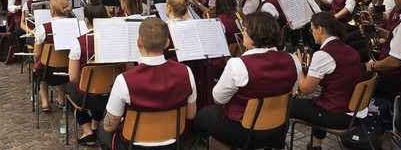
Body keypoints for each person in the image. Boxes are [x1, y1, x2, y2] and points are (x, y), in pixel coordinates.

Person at [194, 12, 300, 150]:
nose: (242, 32)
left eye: (244, 30)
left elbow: (218, 98)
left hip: (245, 129)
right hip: (278, 128)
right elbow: (290, 91)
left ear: (255, 35)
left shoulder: (238, 64)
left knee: (202, 117)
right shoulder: (292, 60)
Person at [99, 17, 197, 150]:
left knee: (103, 129)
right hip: (172, 142)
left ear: (139, 42)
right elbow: (191, 115)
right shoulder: (186, 72)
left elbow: (109, 126)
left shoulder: (124, 80)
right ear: (167, 43)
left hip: (133, 144)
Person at [290, 12, 364, 150]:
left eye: (312, 29)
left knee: (286, 106)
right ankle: (315, 146)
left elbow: (306, 89)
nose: (311, 33)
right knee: (320, 100)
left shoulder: (323, 54)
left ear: (320, 29)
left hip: (338, 115)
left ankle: (276, 146)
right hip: (355, 111)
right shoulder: (349, 49)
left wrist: (299, 66)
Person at [66, 0, 110, 145]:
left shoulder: (79, 43)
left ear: (86, 21)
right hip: (110, 94)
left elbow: (73, 77)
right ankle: (95, 125)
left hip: (88, 96)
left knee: (71, 87)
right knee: (97, 85)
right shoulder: (115, 39)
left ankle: (87, 131)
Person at [33, 0, 72, 112]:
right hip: (68, 67)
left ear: (52, 11)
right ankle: (61, 99)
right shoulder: (74, 26)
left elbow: (37, 52)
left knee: (40, 67)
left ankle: (45, 102)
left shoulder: (43, 28)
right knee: (63, 63)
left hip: (47, 69)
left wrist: (36, 62)